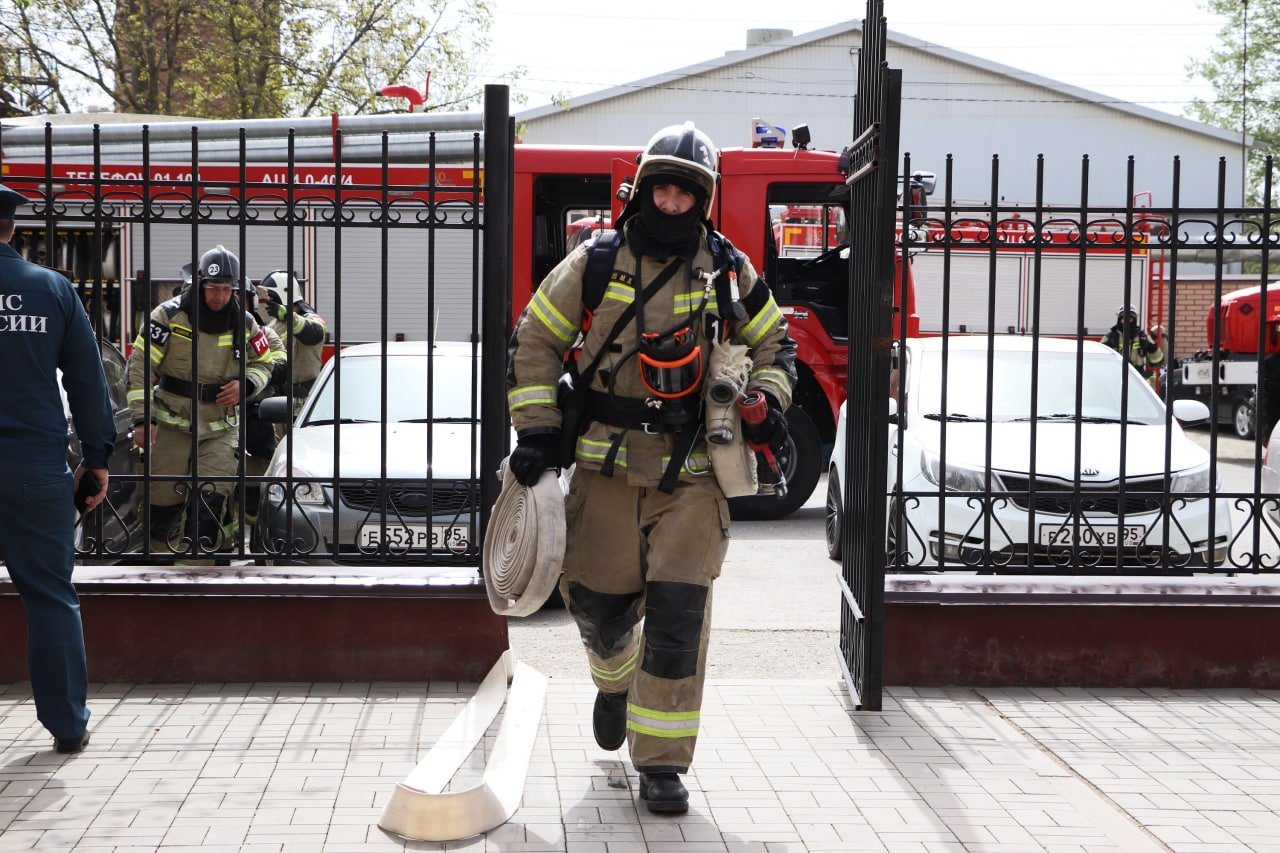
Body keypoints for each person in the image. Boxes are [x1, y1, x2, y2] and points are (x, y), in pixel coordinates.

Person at [505, 122, 797, 814]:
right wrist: (538, 430)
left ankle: (662, 761)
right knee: (601, 612)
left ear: (702, 199)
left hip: (692, 473)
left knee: (677, 618)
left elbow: (775, 344)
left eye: (685, 193)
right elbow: (537, 337)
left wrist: (765, 401)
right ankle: (613, 681)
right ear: (642, 192)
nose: (672, 204)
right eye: (662, 190)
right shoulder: (596, 261)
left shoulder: (728, 268)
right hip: (606, 467)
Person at [0, 182, 115, 754]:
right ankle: (67, 725)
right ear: (12, 227)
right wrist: (96, 459)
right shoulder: (52, 289)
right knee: (49, 596)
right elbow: (87, 380)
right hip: (33, 468)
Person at [126, 245, 273, 561]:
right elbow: (139, 366)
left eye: (226, 289)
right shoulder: (168, 316)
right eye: (213, 288)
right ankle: (161, 572)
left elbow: (266, 362)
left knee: (210, 503)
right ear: (199, 284)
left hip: (220, 429)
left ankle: (199, 574)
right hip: (169, 425)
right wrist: (142, 419)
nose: (220, 296)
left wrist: (246, 384)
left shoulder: (244, 323)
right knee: (164, 506)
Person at [255, 269, 327, 415]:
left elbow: (315, 333)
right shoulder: (273, 325)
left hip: (305, 402)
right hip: (276, 401)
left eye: (271, 298)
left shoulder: (310, 319)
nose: (267, 303)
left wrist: (288, 316)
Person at [1104, 304, 1164, 382]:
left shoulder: (1142, 337)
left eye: (1130, 319)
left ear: (1134, 320)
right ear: (1119, 320)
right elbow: (1098, 363)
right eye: (1124, 319)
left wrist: (1150, 347)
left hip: (1137, 380)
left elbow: (1158, 361)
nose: (1127, 322)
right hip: (1115, 378)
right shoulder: (1109, 338)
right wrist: (1107, 347)